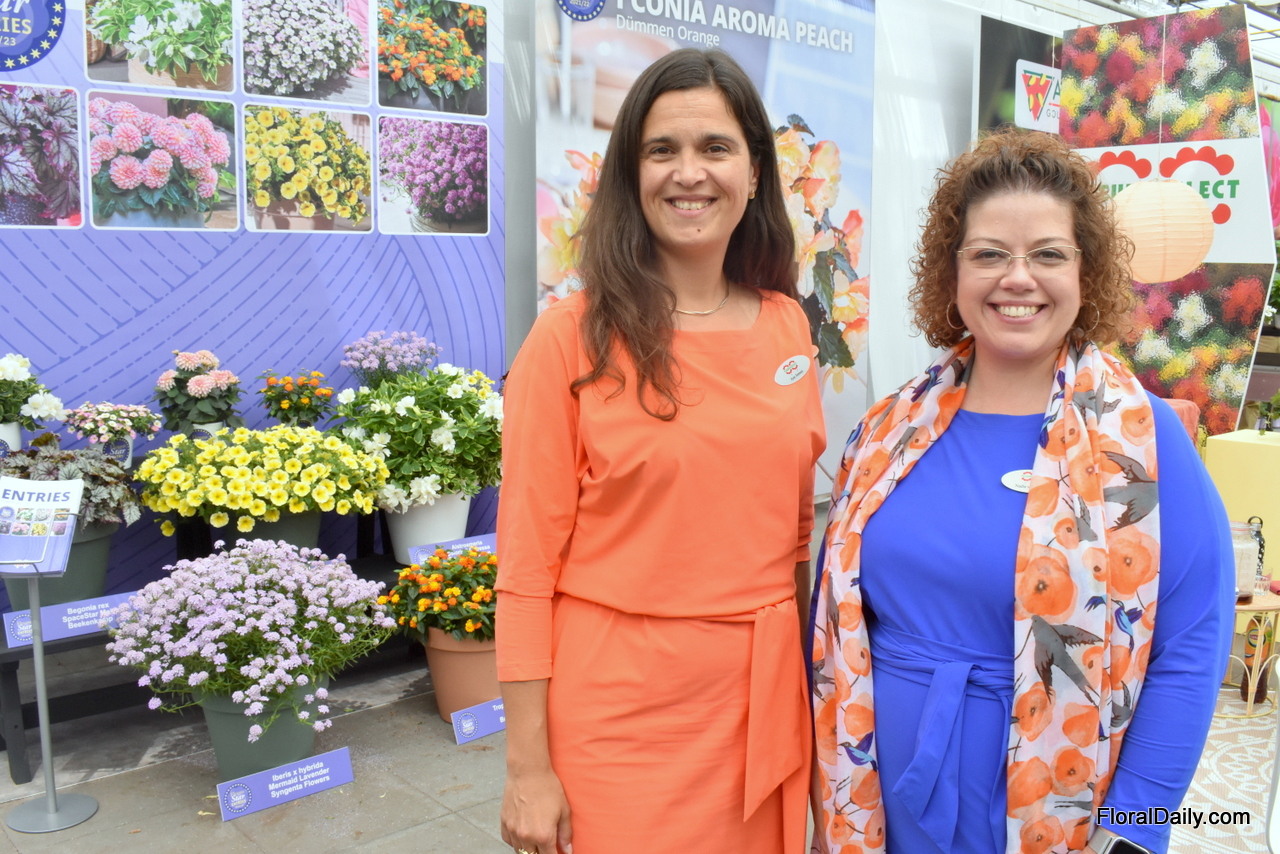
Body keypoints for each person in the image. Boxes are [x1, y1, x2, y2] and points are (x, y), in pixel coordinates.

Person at [810, 128, 1232, 854]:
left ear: (1085, 271)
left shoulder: (1142, 438)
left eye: (1048, 254)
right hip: (875, 796)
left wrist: (1136, 829)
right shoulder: (886, 430)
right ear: (951, 272)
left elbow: (1193, 642)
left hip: (1057, 806)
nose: (1018, 278)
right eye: (988, 254)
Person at [496, 48, 825, 854]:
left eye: (715, 147)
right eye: (661, 150)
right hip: (621, 718)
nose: (689, 173)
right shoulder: (569, 337)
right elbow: (527, 569)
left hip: (763, 707)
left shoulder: (789, 325)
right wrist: (528, 769)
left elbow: (793, 536)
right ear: (631, 173)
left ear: (754, 170)